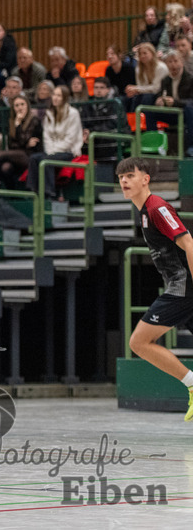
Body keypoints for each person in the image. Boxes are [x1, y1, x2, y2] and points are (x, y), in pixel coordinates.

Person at [119, 156, 193, 421]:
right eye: (121, 177)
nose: (124, 181)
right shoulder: (144, 212)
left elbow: (189, 243)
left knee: (139, 342)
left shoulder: (157, 208)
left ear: (145, 179)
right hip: (183, 287)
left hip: (182, 288)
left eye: (130, 175)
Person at [26, 85, 82, 199]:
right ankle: (33, 191)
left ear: (65, 98)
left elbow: (70, 140)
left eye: (59, 95)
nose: (55, 98)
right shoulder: (49, 113)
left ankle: (49, 193)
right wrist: (50, 150)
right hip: (51, 150)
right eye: (54, 95)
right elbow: (46, 136)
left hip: (68, 151)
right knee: (34, 158)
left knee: (46, 160)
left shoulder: (73, 113)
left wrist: (54, 151)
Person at [0, 95, 42, 188]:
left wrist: (18, 126)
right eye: (16, 105)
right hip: (16, 156)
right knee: (5, 167)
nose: (20, 108)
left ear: (27, 106)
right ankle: (12, 193)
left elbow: (24, 142)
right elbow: (11, 144)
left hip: (31, 156)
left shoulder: (34, 120)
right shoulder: (12, 122)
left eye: (22, 104)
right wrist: (25, 143)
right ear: (13, 108)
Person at [127, 42, 169, 111]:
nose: (142, 56)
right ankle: (133, 119)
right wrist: (133, 90)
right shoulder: (138, 69)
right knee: (133, 98)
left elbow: (156, 88)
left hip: (160, 94)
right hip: (145, 93)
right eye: (140, 54)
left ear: (152, 53)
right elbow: (140, 86)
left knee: (147, 98)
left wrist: (136, 89)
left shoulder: (161, 67)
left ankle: (146, 119)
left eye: (145, 53)